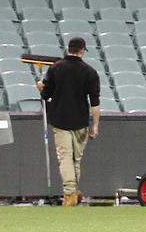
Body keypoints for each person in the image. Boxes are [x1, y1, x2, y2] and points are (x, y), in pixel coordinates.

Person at [37, 37, 101, 207]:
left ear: (68, 49)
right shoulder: (90, 72)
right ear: (82, 51)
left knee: (64, 158)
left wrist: (40, 87)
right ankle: (73, 191)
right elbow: (95, 102)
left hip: (60, 120)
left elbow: (46, 95)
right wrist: (95, 125)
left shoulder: (56, 68)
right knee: (75, 160)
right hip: (81, 122)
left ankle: (69, 193)